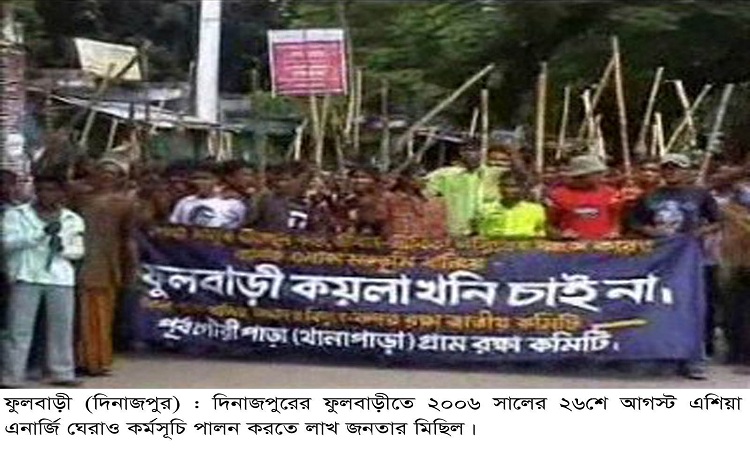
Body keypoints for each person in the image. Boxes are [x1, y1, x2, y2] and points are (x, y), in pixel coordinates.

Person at [629, 153, 722, 380]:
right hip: (659, 260)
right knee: (660, 306)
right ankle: (662, 353)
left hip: (690, 261)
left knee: (691, 307)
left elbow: (718, 221)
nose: (671, 172)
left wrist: (697, 233)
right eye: (667, 168)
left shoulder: (700, 194)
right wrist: (651, 232)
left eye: (676, 168)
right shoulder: (650, 195)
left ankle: (693, 360)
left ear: (687, 171)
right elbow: (634, 222)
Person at [1, 174, 85, 387]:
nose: (47, 194)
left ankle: (62, 373)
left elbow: (78, 251)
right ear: (35, 192)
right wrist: (39, 235)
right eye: (42, 190)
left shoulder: (72, 219)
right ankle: (12, 375)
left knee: (61, 327)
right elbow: (8, 243)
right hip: (26, 275)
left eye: (52, 190)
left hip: (60, 278)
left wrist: (63, 248)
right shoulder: (16, 214)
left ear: (61, 193)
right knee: (18, 328)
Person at [74, 157, 138, 376]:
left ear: (120, 178)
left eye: (111, 174)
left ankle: (97, 360)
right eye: (102, 172)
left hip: (107, 262)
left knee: (101, 315)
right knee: (81, 316)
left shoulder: (125, 204)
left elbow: (128, 238)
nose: (105, 177)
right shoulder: (81, 198)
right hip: (80, 259)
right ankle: (81, 358)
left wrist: (132, 267)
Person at [425, 141, 503, 237]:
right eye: (466, 150)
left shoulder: (496, 174)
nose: (471, 154)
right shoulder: (444, 175)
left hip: (489, 232)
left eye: (476, 150)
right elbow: (423, 192)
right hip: (459, 232)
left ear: (483, 153)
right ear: (460, 153)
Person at [546, 155, 622, 240]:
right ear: (583, 176)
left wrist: (614, 232)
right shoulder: (558, 195)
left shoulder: (611, 194)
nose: (601, 176)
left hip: (604, 244)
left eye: (600, 173)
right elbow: (549, 226)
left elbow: (616, 222)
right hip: (571, 245)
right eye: (597, 173)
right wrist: (561, 235)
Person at [169, 161, 247, 229]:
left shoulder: (233, 204)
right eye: (195, 178)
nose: (199, 182)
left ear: (217, 180)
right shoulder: (184, 202)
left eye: (205, 178)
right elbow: (173, 228)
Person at [478, 173, 547, 239]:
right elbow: (480, 232)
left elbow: (541, 233)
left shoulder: (535, 210)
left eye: (513, 186)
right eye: (505, 185)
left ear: (522, 188)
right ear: (499, 187)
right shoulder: (486, 209)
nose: (508, 190)